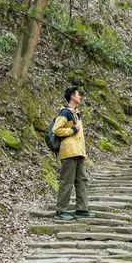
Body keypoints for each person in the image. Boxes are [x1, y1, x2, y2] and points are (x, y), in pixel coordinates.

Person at [53, 86, 95, 220]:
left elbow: (80, 135)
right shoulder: (65, 112)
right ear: (72, 96)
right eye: (78, 94)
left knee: (82, 180)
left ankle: (82, 209)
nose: (80, 97)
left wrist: (84, 151)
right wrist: (72, 129)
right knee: (67, 182)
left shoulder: (77, 113)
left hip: (79, 152)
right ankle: (60, 211)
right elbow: (56, 130)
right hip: (69, 152)